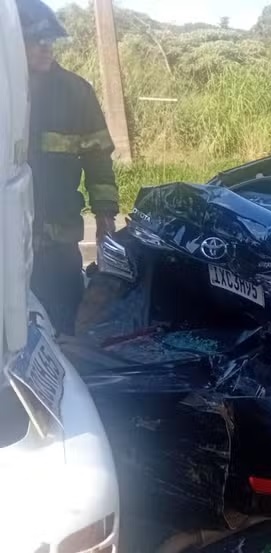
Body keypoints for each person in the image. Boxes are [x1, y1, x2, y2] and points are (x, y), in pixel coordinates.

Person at [18, 0, 119, 335]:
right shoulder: (7, 94)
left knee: (64, 327)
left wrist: (105, 217)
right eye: (35, 38)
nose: (46, 46)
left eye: (49, 39)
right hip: (11, 242)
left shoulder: (76, 92)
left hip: (59, 242)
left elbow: (99, 160)